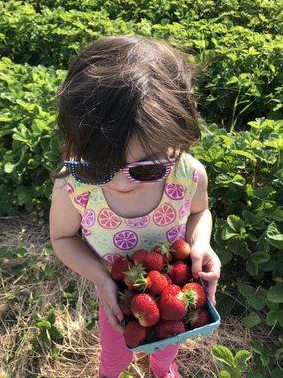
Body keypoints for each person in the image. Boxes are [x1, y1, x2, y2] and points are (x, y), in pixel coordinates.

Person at [49, 35, 221, 378]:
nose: (122, 183)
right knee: (115, 353)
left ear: (177, 139)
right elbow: (63, 239)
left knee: (169, 342)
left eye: (147, 168)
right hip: (117, 294)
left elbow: (199, 212)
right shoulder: (74, 186)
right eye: (100, 166)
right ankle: (110, 371)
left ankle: (163, 367)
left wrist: (201, 244)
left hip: (173, 289)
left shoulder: (188, 175)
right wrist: (101, 278)